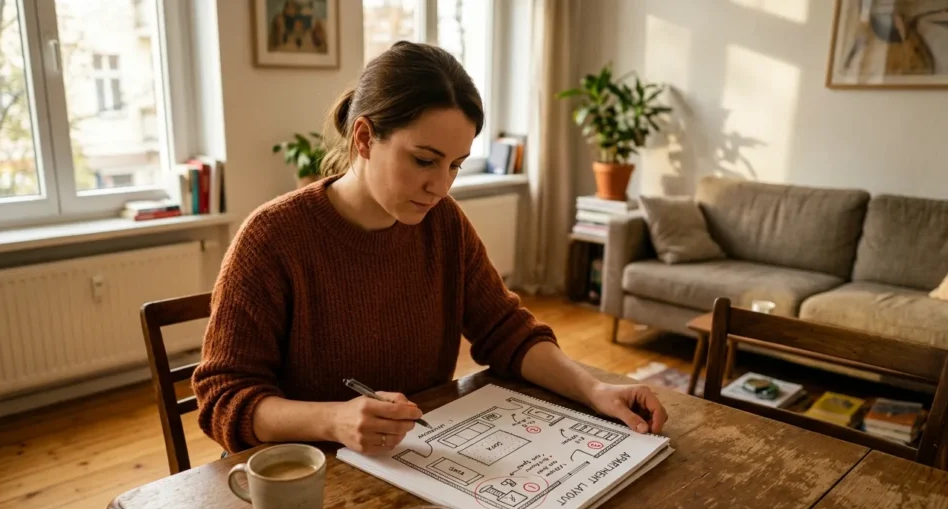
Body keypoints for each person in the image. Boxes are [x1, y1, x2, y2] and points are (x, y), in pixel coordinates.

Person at [192, 41, 668, 456]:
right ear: (364, 137)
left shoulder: (442, 224)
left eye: (456, 165)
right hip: (310, 477)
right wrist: (333, 420)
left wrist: (597, 389)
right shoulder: (273, 238)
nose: (440, 186)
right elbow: (223, 397)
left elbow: (507, 331)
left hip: (416, 460)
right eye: (424, 160)